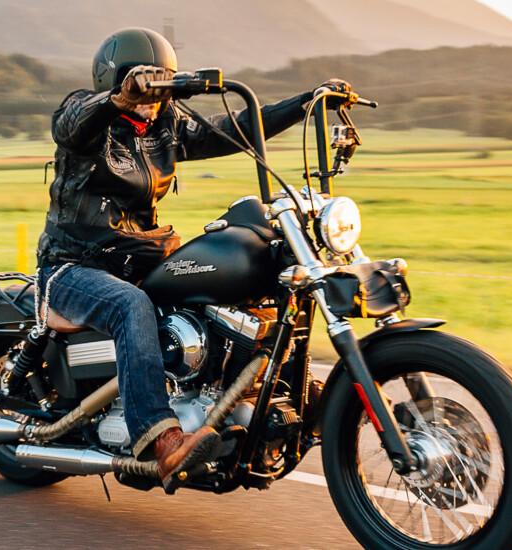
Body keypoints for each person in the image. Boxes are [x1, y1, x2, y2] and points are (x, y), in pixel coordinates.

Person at [36, 27, 351, 486]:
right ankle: (161, 441)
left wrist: (308, 101)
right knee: (130, 305)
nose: (152, 93)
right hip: (75, 264)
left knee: (244, 280)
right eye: (141, 79)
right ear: (115, 79)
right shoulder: (88, 115)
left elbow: (233, 128)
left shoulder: (166, 125)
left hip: (141, 258)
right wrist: (119, 100)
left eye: (162, 81)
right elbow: (71, 122)